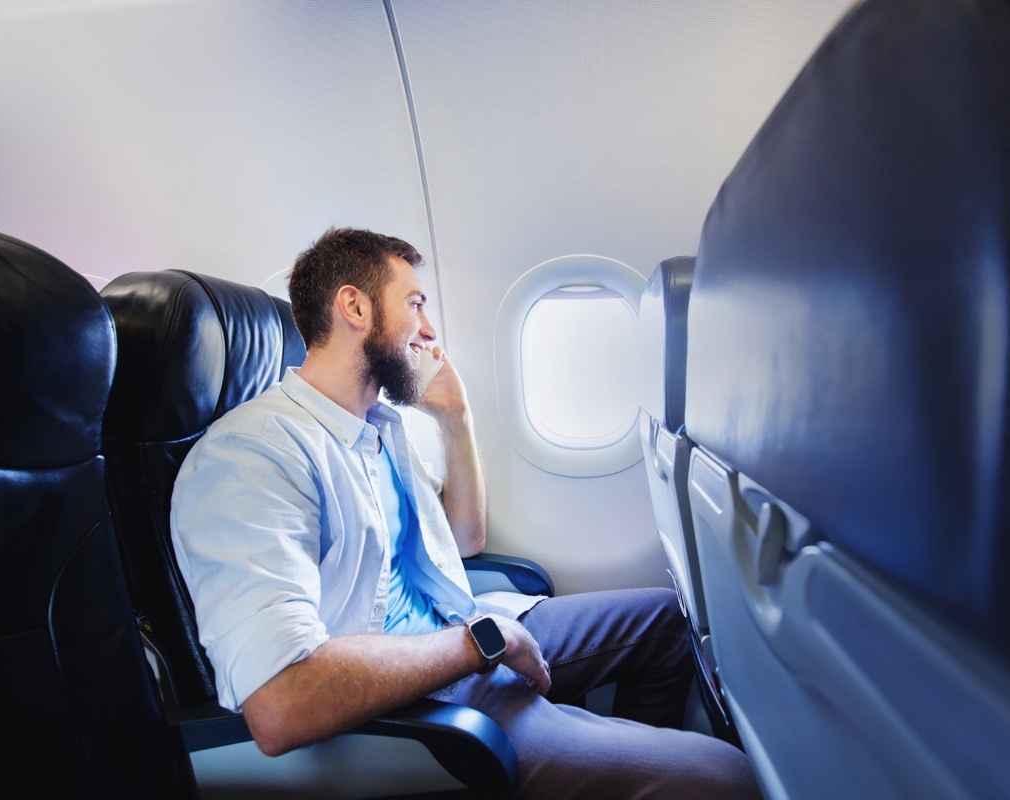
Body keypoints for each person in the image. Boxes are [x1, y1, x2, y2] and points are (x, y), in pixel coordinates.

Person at [170, 226, 760, 798]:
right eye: (415, 303)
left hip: (456, 629)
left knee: (668, 621)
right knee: (725, 777)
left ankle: (620, 764)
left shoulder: (375, 428)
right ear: (354, 306)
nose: (428, 331)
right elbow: (281, 703)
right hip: (415, 701)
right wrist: (479, 643)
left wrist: (455, 416)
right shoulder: (252, 455)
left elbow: (465, 540)